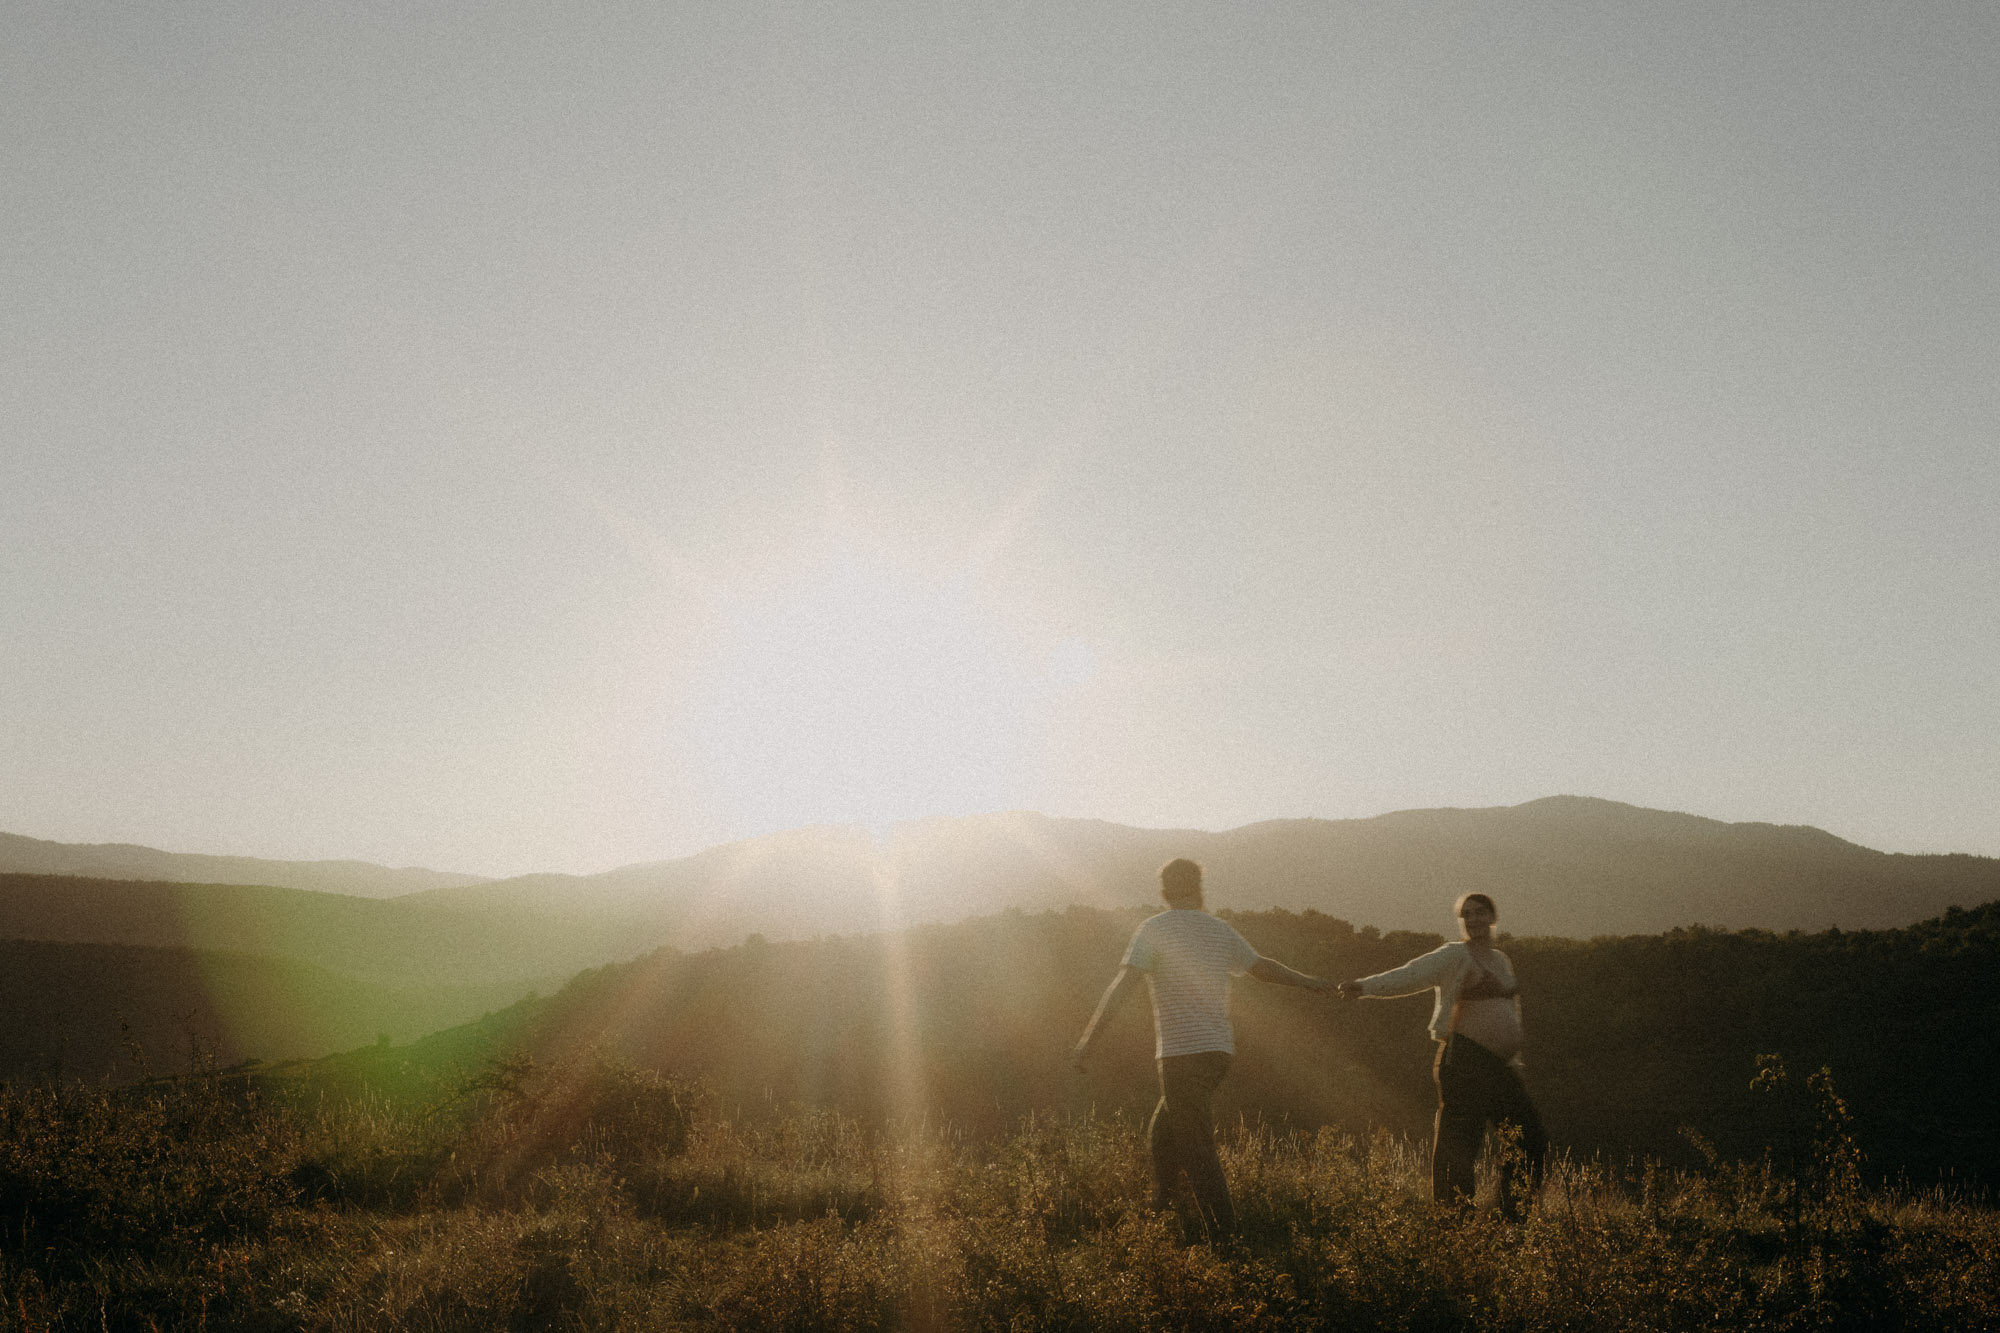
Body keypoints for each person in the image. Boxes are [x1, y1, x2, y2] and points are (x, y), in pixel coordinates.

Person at [1072, 857, 1330, 1241]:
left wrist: (1088, 1040)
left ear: (1164, 890)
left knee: (1197, 1149)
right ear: (1198, 886)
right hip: (1217, 1053)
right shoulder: (1218, 930)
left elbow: (1123, 987)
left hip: (1181, 1053)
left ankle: (1224, 1239)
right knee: (1164, 1134)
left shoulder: (1153, 929)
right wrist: (1309, 982)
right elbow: (1261, 967)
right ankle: (1165, 1212)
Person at [1337, 892, 1547, 1219]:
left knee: (1530, 1137)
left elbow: (1509, 1012)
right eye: (1467, 914)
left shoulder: (1501, 960)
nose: (1474, 919)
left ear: (1493, 917)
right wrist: (1363, 987)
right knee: (1459, 1147)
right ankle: (1453, 1226)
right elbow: (1410, 974)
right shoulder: (1454, 955)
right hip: (1464, 1062)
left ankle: (1512, 1219)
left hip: (1499, 1066)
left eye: (1480, 912)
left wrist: (1513, 1061)